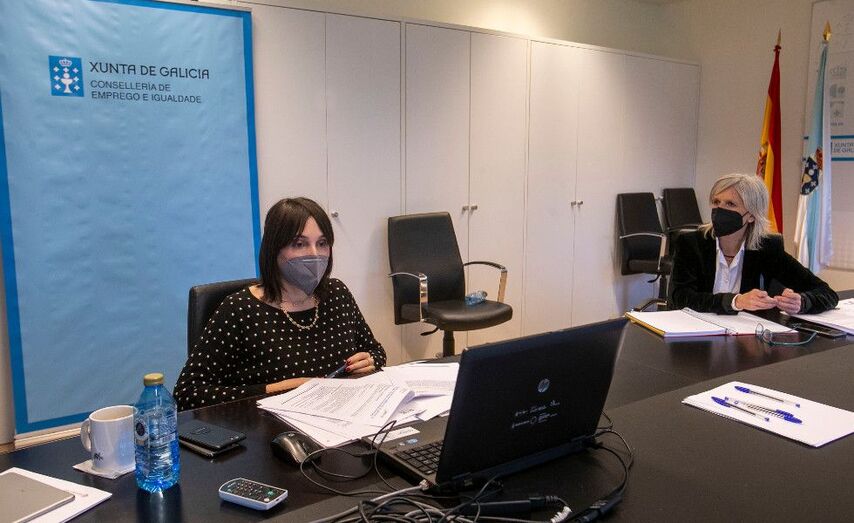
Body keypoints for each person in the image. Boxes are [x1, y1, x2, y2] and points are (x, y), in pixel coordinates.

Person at [174, 197, 386, 411]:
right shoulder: (239, 309)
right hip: (270, 427)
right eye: (300, 244)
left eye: (322, 243)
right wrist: (275, 389)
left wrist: (370, 361)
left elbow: (376, 351)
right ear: (274, 248)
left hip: (343, 419)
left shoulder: (337, 294)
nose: (314, 254)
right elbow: (187, 394)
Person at [669, 173, 838, 315]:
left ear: (751, 215)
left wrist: (802, 302)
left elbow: (826, 293)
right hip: (693, 332)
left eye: (730, 204)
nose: (719, 209)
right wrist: (735, 301)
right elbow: (680, 298)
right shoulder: (691, 243)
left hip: (744, 336)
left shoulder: (767, 248)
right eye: (716, 202)